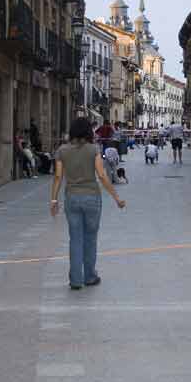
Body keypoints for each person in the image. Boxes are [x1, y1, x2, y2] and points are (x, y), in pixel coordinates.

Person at [51, 118, 126, 289]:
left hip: (72, 198)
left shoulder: (62, 151)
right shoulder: (94, 150)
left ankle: (76, 280)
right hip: (92, 197)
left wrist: (54, 200)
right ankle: (90, 276)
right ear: (88, 132)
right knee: (90, 238)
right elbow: (101, 175)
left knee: (75, 238)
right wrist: (116, 198)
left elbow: (57, 177)